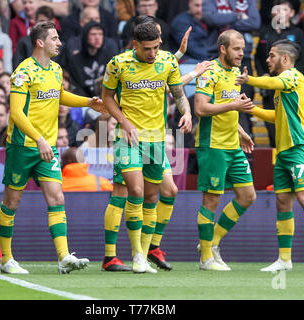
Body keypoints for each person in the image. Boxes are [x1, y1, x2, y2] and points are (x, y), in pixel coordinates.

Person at [101, 16, 213, 272]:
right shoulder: (118, 64)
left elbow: (177, 94)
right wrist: (124, 122)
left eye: (156, 47)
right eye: (147, 48)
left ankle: (146, 250)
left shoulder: (166, 61)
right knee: (135, 191)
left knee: (154, 195)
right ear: (135, 45)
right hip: (127, 138)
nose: (152, 53)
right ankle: (135, 255)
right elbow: (107, 97)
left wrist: (186, 112)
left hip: (156, 140)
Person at [0, 21, 106, 274]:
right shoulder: (23, 72)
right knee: (11, 203)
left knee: (57, 197)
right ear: (40, 42)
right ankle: (6, 259)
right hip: (23, 146)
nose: (60, 42)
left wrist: (87, 101)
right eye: (55, 38)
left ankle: (64, 256)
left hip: (47, 147)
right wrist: (39, 139)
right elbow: (16, 113)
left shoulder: (55, 70)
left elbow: (60, 95)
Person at [235, 39, 304, 272]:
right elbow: (277, 116)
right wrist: (251, 109)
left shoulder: (293, 76)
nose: (267, 59)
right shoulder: (285, 88)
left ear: (285, 59)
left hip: (301, 146)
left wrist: (249, 80)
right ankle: (284, 260)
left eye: (271, 55)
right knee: (282, 203)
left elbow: (271, 82)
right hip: (284, 151)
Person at [194, 29, 256, 271]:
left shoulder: (235, 74)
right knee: (212, 200)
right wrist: (234, 104)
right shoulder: (210, 72)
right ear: (223, 48)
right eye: (237, 49)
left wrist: (241, 132)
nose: (242, 53)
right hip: (213, 146)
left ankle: (213, 241)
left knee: (248, 196)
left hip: (232, 144)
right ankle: (206, 259)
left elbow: (227, 109)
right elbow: (200, 108)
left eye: (242, 48)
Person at [255, 0, 304, 148]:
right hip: (269, 87)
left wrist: (289, 76)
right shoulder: (266, 32)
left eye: (283, 10)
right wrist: (263, 74)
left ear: (292, 13)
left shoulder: (297, 32)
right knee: (272, 130)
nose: (279, 13)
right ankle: (277, 156)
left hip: (289, 87)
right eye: (276, 10)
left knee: (290, 121)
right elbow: (258, 57)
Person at [202, 0, 261, 139]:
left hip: (244, 60)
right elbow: (210, 19)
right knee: (218, 98)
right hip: (215, 56)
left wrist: (225, 21)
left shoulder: (248, 1)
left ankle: (247, 140)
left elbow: (255, 22)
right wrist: (238, 16)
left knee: (245, 101)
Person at [66, 21, 119, 97]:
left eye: (100, 34)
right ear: (85, 36)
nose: (97, 37)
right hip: (84, 102)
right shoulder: (75, 60)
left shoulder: (110, 57)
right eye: (93, 34)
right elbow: (75, 86)